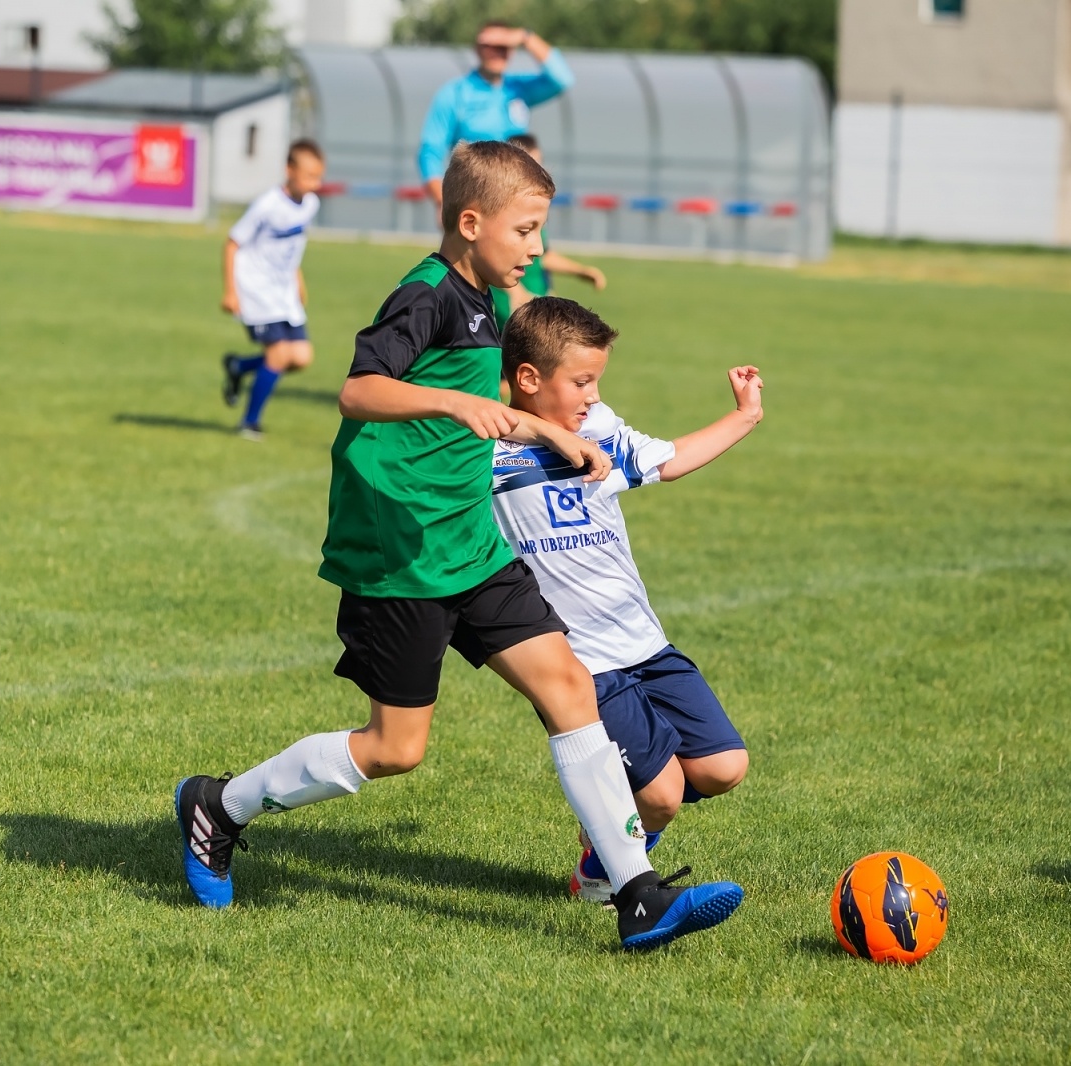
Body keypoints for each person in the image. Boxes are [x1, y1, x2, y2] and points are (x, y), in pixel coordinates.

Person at [176, 141, 744, 951]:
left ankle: (637, 896)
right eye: (527, 230)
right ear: (471, 224)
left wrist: (549, 427)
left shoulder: (488, 303)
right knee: (394, 749)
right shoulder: (428, 294)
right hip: (402, 550)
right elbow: (358, 390)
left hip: (470, 543)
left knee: (568, 686)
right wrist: (448, 403)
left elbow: (496, 406)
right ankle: (218, 806)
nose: (538, 248)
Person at [490, 296, 762, 902]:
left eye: (597, 381)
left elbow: (667, 461)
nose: (591, 394)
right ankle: (602, 867)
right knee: (662, 795)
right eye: (580, 380)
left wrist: (744, 416)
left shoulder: (600, 427)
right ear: (528, 379)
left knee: (724, 767)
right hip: (581, 657)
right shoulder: (490, 451)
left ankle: (615, 813)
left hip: (643, 638)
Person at [219, 139, 326, 440]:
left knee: (301, 356)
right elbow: (232, 243)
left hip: (283, 290)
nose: (314, 184)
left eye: (318, 177)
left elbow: (291, 249)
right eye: (308, 176)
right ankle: (249, 423)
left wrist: (298, 281)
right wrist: (230, 291)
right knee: (278, 355)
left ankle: (239, 366)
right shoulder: (267, 205)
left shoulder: (310, 205)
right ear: (288, 170)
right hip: (256, 289)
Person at [418, 21, 573, 214]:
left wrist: (526, 37)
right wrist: (442, 202)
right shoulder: (455, 93)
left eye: (503, 46)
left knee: (538, 244)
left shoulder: (517, 88)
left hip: (517, 195)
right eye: (489, 46)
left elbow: (562, 78)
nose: (496, 52)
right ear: (477, 48)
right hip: (474, 197)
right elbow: (430, 151)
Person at [490, 133, 607, 331]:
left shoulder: (533, 210)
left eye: (539, 164)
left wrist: (581, 272)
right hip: (515, 307)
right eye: (530, 165)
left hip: (536, 302)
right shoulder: (501, 212)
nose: (538, 172)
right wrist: (516, 293)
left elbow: (544, 256)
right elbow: (488, 255)